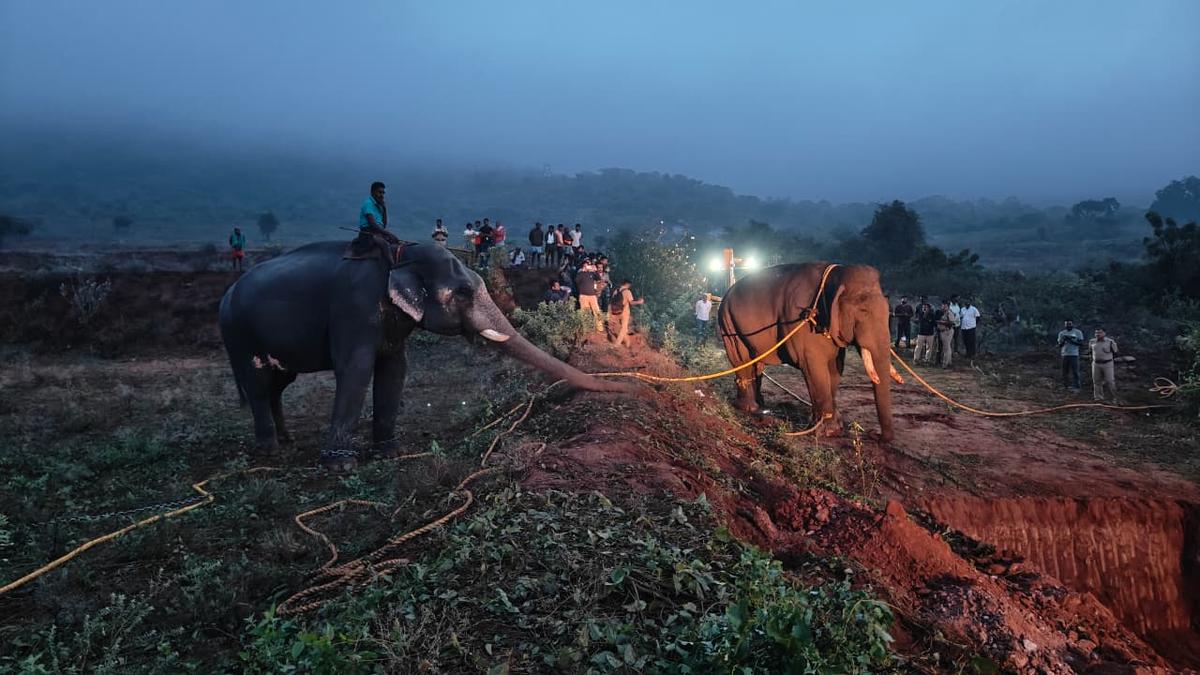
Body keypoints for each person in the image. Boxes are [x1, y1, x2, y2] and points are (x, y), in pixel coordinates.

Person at [607, 278, 644, 346]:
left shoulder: (616, 290)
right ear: (627, 284)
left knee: (625, 328)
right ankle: (617, 344)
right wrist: (639, 302)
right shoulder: (627, 292)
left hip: (616, 311)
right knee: (624, 328)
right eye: (629, 285)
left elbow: (612, 300)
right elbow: (631, 303)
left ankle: (627, 343)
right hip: (624, 312)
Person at [1089, 328, 1119, 401]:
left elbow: (1116, 352)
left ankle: (1114, 397)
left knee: (1110, 381)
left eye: (1100, 333)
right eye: (1096, 333)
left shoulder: (1110, 342)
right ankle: (1098, 398)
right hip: (1096, 363)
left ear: (1104, 333)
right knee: (1096, 381)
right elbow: (1090, 351)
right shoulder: (1092, 341)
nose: (1098, 334)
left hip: (1107, 363)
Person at [575, 260, 604, 332]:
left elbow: (599, 278)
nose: (587, 267)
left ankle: (599, 327)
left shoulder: (592, 273)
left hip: (592, 296)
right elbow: (576, 281)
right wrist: (582, 271)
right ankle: (586, 328)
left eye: (588, 265)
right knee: (585, 312)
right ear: (583, 266)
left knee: (597, 311)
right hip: (583, 296)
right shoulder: (580, 273)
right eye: (585, 265)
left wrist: (595, 270)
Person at [1057, 319, 1085, 391]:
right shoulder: (1062, 333)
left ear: (1073, 324)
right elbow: (1060, 345)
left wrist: (1071, 340)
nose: (1068, 325)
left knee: (1075, 371)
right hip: (1064, 354)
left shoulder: (1078, 332)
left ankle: (1077, 386)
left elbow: (1081, 343)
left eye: (1069, 324)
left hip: (1074, 354)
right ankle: (1065, 386)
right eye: (1066, 324)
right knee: (1064, 371)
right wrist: (1064, 340)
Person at [936, 300, 955, 367]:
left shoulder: (949, 313)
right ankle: (949, 362)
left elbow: (952, 323)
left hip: (947, 331)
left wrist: (942, 322)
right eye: (943, 305)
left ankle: (945, 363)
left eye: (945, 305)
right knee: (947, 347)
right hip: (941, 331)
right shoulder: (940, 312)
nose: (944, 306)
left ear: (948, 306)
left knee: (946, 347)